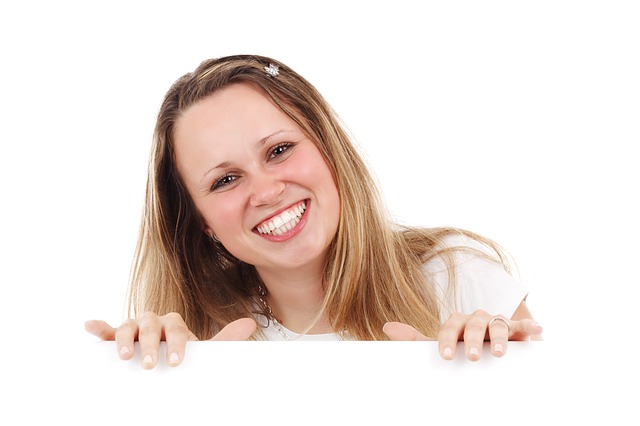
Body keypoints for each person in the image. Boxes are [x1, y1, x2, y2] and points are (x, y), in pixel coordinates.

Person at [85, 54, 542, 369]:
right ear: (201, 222)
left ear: (328, 147)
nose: (266, 192)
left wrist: (487, 384)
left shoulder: (459, 280)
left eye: (279, 150)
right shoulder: (194, 343)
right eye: (225, 180)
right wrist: (150, 392)